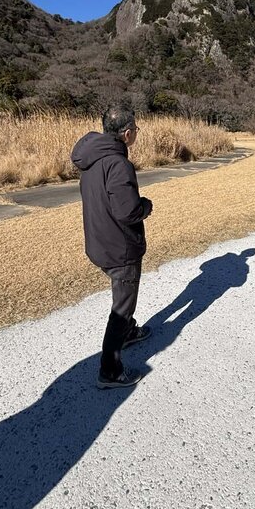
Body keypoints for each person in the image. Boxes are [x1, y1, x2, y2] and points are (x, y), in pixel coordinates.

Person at [71, 103, 153, 389]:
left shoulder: (91, 159)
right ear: (128, 133)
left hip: (99, 241)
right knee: (122, 306)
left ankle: (129, 333)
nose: (136, 135)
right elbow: (128, 211)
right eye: (136, 130)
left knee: (123, 299)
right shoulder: (118, 163)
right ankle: (110, 370)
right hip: (120, 247)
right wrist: (145, 205)